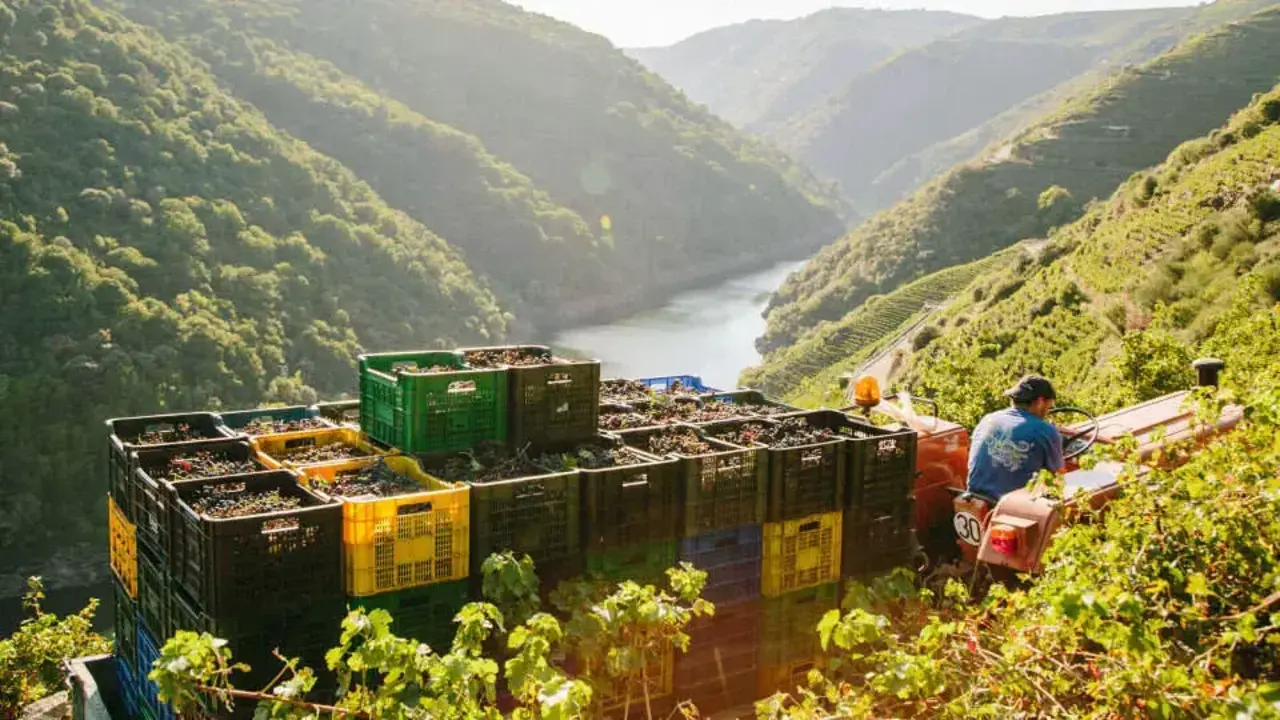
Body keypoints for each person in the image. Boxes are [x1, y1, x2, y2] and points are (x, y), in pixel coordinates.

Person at [966, 375, 1065, 500]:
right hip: (1012, 507)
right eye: (1049, 405)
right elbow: (1058, 478)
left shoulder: (988, 419)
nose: (1048, 410)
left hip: (974, 496)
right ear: (1040, 401)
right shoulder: (1046, 431)